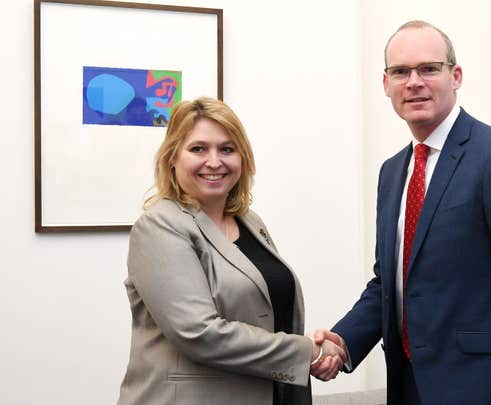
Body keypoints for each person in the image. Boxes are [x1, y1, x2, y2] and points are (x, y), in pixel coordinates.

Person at [312, 21, 491, 404]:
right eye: (400, 72)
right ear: (385, 85)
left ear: (456, 76)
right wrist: (343, 341)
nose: (414, 82)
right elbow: (390, 283)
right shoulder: (393, 171)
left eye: (429, 68)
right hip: (411, 388)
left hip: (490, 392)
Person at [117, 97, 345, 405]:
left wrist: (317, 350)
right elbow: (199, 333)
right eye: (198, 149)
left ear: (242, 158)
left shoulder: (251, 222)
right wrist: (309, 352)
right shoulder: (159, 226)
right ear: (172, 157)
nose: (214, 161)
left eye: (227, 149)